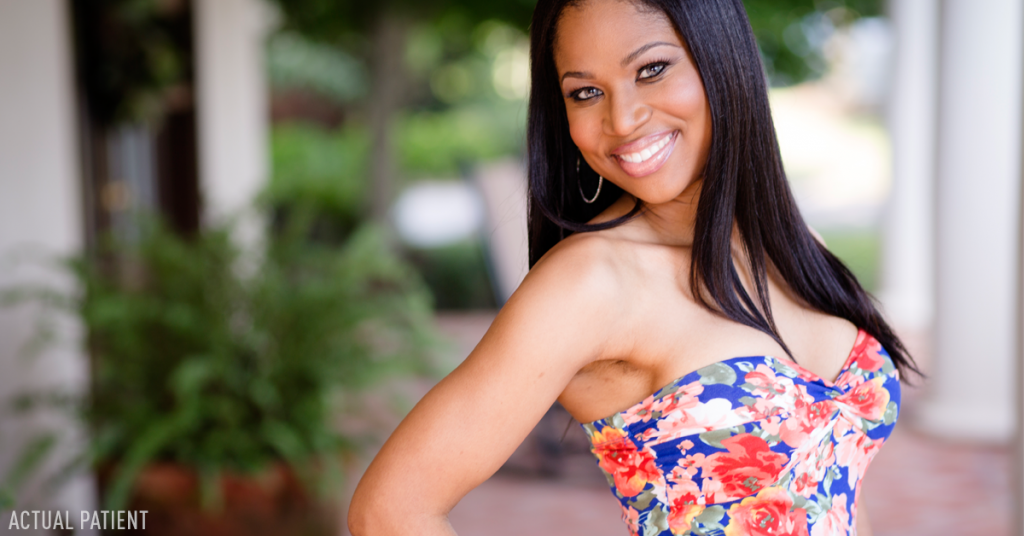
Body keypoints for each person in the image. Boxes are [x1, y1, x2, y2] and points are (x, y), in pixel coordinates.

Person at [348, 0, 918, 535]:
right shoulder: (591, 283)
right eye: (586, 92)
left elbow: (837, 480)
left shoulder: (791, 244)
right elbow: (391, 510)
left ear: (722, 57)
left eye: (651, 70)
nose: (622, 119)